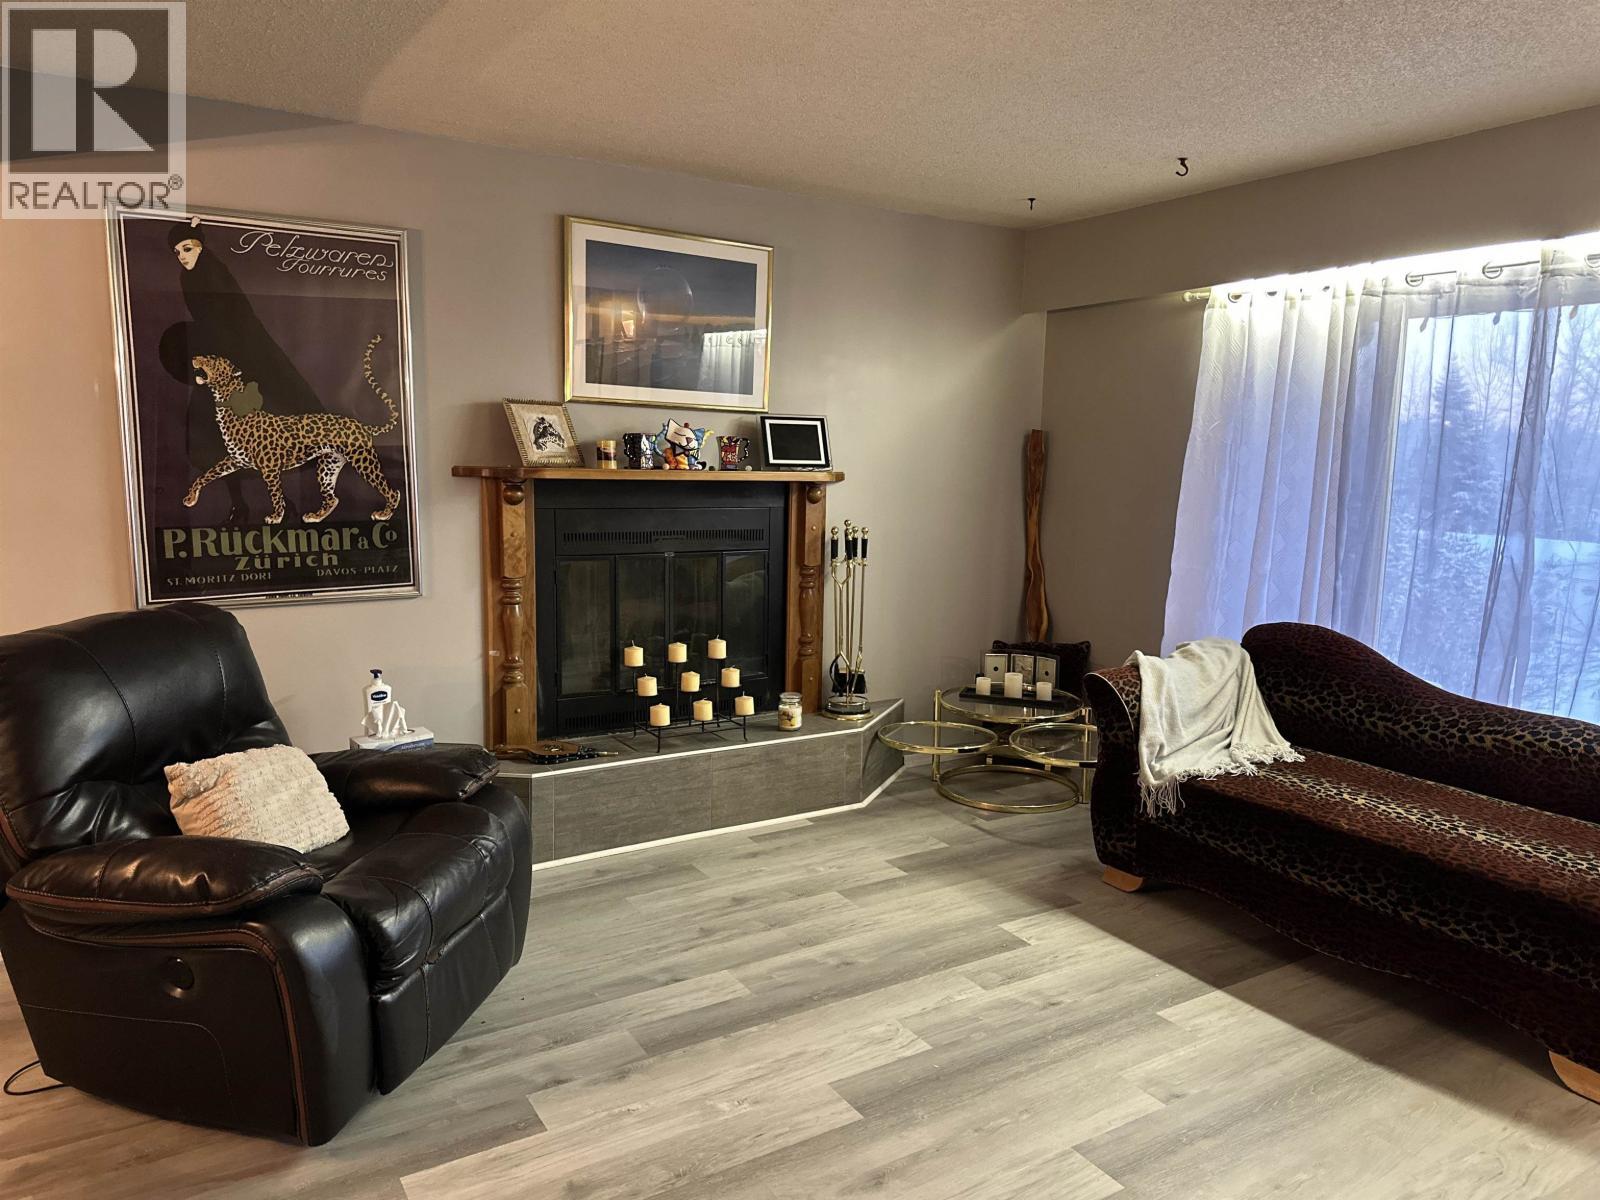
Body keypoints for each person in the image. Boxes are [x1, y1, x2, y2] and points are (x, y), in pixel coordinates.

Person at [158, 216, 327, 524]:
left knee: (257, 441)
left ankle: (281, 503)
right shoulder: (189, 278)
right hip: (218, 371)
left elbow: (237, 323)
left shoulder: (214, 273)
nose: (182, 256)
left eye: (186, 248)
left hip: (241, 367)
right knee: (212, 441)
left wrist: (234, 369)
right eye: (177, 252)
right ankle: (241, 506)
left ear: (200, 246)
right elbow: (210, 325)